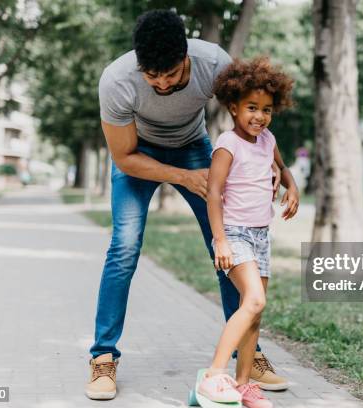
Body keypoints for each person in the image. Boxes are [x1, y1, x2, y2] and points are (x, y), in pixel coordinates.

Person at [86, 10, 288, 400]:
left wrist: (277, 165)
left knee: (229, 245)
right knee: (124, 246)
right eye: (152, 76)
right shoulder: (116, 81)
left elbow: (252, 118)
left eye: (172, 75)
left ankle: (250, 354)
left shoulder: (214, 63)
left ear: (186, 58)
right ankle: (103, 357)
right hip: (137, 154)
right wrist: (183, 177)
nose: (161, 83)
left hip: (193, 146)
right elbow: (124, 158)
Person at [196, 58, 299, 408]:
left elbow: (282, 168)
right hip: (235, 235)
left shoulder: (267, 139)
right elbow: (213, 193)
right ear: (233, 107)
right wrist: (220, 239)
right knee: (254, 299)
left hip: (261, 236)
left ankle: (242, 386)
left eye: (267, 109)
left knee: (253, 312)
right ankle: (214, 375)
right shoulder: (227, 144)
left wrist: (292, 186)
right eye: (252, 108)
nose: (260, 116)